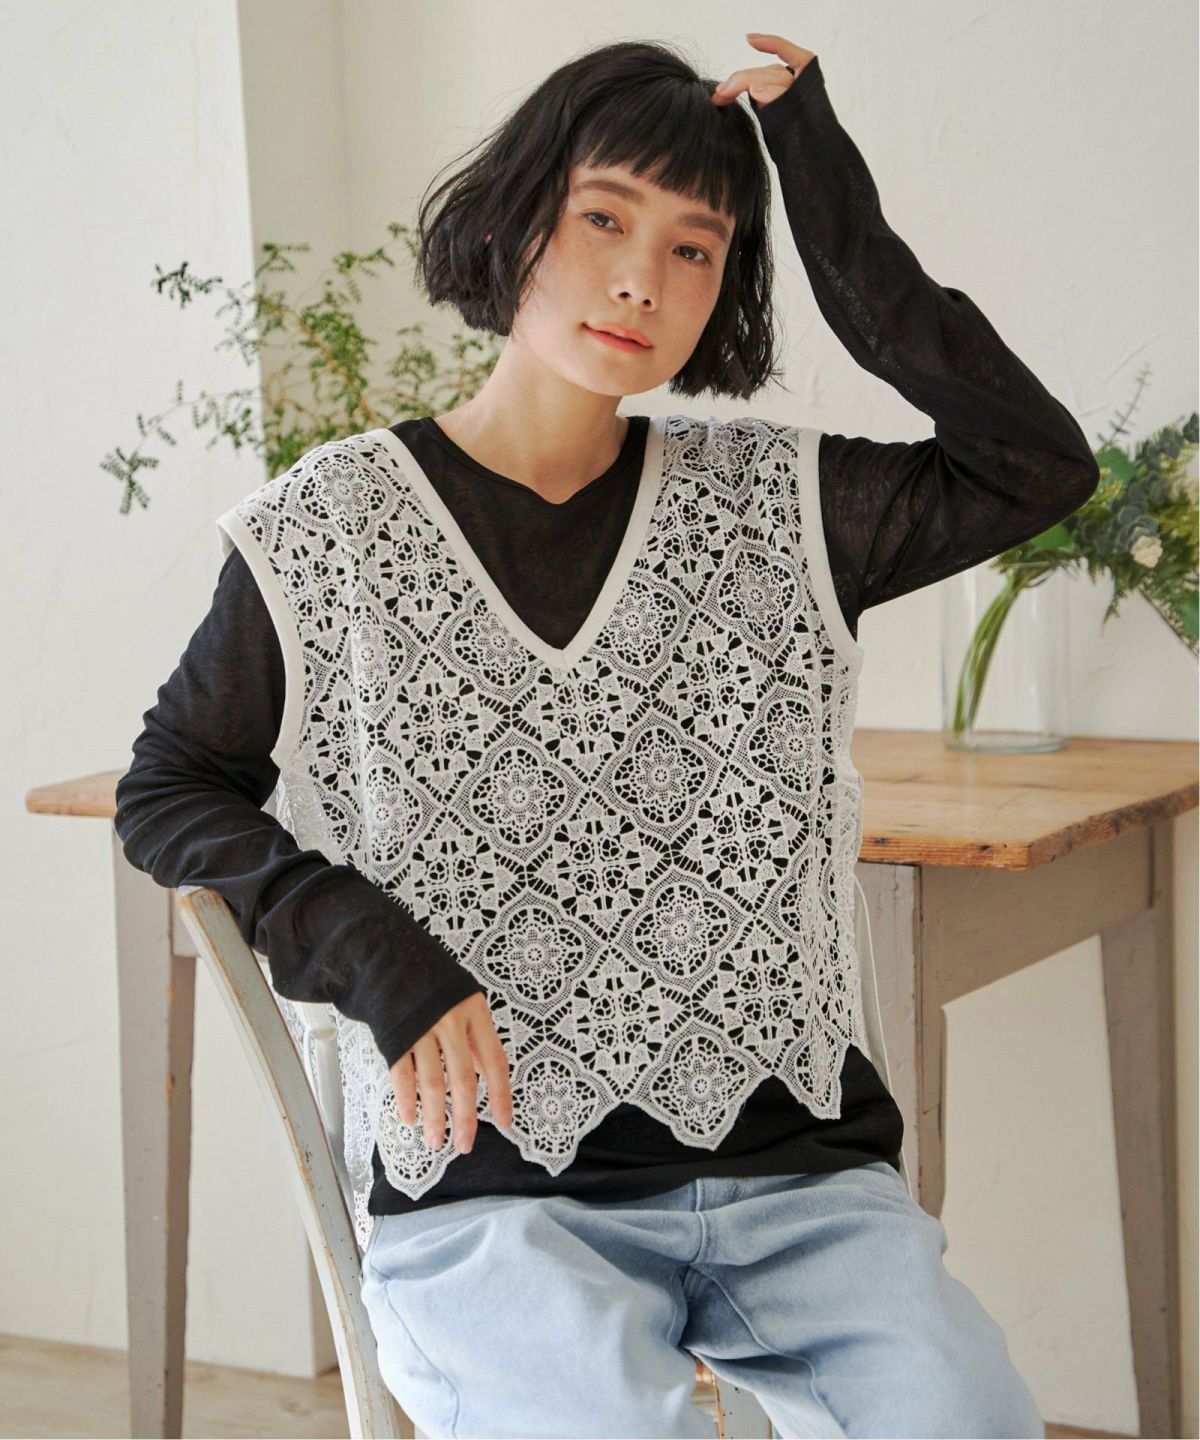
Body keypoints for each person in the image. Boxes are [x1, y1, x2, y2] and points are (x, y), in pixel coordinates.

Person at [114, 31, 1098, 1440]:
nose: (644, 278)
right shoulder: (331, 526)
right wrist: (366, 945)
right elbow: (172, 787)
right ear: (517, 220)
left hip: (802, 1192)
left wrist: (816, 179)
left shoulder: (779, 507)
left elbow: (1035, 464)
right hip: (496, 1201)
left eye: (697, 248)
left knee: (966, 1420)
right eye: (603, 219)